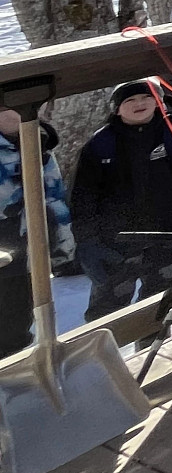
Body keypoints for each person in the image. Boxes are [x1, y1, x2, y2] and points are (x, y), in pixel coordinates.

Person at [69, 80, 172, 320]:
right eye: (130, 100)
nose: (140, 104)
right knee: (107, 313)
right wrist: (88, 242)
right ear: (116, 108)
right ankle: (102, 355)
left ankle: (150, 348)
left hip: (167, 237)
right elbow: (82, 198)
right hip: (115, 244)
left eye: (147, 98)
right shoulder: (101, 143)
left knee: (158, 308)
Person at [1, 106, 75, 358]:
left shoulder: (39, 143)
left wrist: (62, 245)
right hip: (3, 250)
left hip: (27, 254)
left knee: (18, 326)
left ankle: (16, 382)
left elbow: (54, 198)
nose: (14, 111)